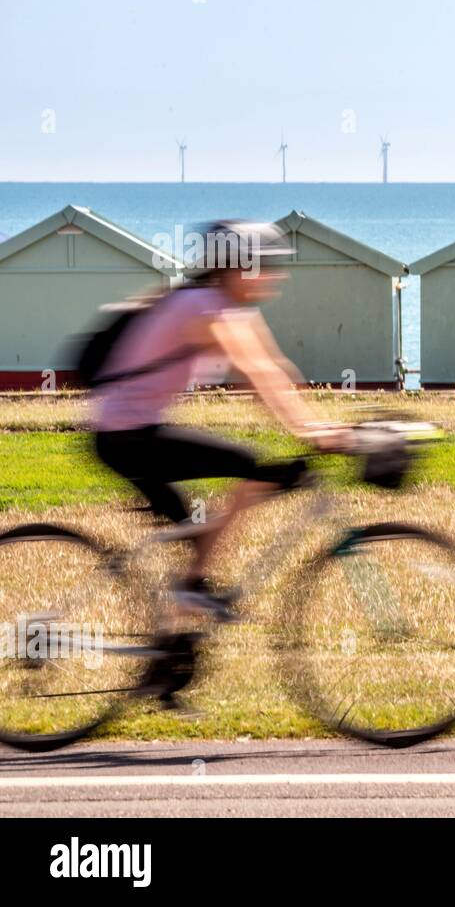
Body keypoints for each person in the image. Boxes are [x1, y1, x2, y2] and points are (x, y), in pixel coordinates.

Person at [90, 219, 352, 622]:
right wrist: (308, 431)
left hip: (133, 432)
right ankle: (190, 590)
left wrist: (321, 425)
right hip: (125, 437)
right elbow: (254, 374)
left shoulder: (228, 309)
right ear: (237, 267)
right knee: (253, 468)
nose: (274, 275)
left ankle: (175, 640)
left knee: (204, 527)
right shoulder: (203, 308)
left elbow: (274, 369)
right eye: (265, 264)